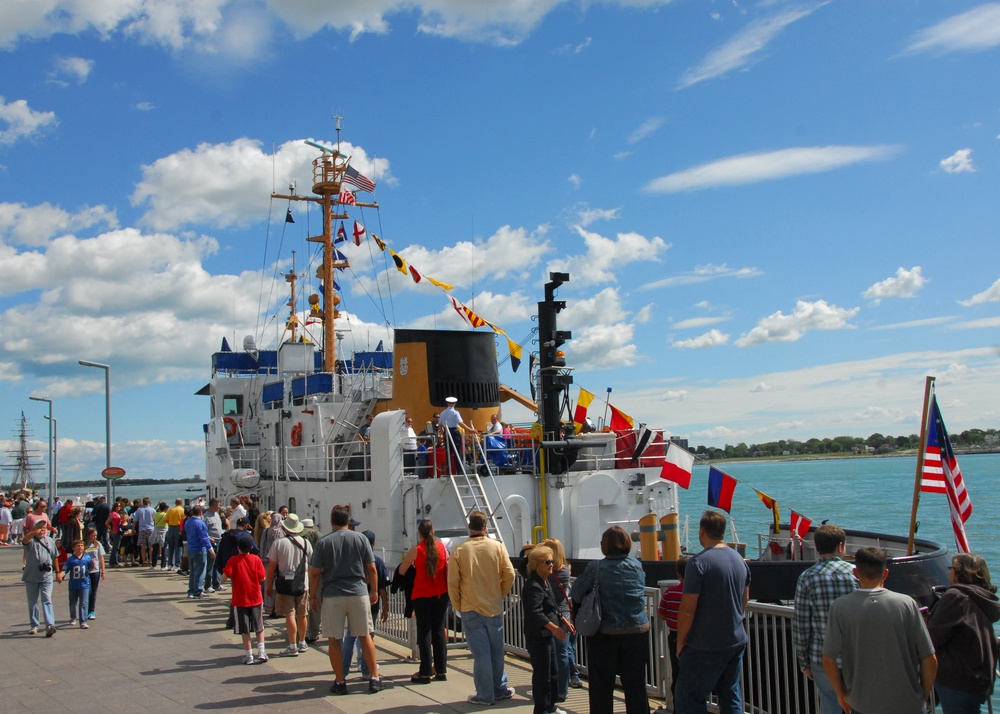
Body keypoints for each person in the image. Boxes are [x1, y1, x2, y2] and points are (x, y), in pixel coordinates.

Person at [822, 546, 937, 714]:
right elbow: (929, 658)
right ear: (885, 574)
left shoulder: (839, 607)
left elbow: (828, 659)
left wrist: (841, 694)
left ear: (855, 573)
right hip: (907, 704)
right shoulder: (907, 604)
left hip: (862, 705)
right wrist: (923, 696)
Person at [673, 510, 751, 714]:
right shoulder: (739, 561)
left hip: (705, 643)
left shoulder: (698, 563)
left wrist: (681, 641)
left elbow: (688, 609)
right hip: (735, 639)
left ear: (701, 532)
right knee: (730, 693)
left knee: (688, 696)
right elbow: (745, 600)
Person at [570, 525, 650, 714]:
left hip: (604, 634)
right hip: (636, 631)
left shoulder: (596, 567)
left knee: (601, 686)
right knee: (636, 685)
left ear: (604, 545)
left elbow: (577, 592)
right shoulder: (637, 566)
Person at [308, 506, 385, 695]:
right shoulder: (361, 539)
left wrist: (312, 596)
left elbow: (315, 572)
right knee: (365, 635)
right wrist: (374, 590)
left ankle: (340, 681)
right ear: (348, 521)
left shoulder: (324, 542)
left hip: (333, 594)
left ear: (331, 521)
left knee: (335, 639)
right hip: (358, 592)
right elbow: (372, 568)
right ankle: (374, 678)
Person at [448, 510, 516, 706]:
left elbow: (453, 582)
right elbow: (510, 574)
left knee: (481, 654)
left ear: (469, 527)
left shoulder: (460, 550)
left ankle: (485, 694)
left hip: (470, 607)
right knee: (496, 650)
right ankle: (499, 688)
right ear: (485, 528)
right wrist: (500, 594)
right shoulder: (497, 547)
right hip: (493, 606)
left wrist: (458, 604)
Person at [792, 524, 858, 714]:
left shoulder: (807, 577)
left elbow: (801, 624)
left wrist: (804, 662)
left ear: (817, 547)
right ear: (840, 546)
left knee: (830, 704)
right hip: (855, 656)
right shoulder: (856, 573)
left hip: (821, 657)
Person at [926, 553, 1000, 713]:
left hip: (958, 679)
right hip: (979, 678)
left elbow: (932, 637)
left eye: (951, 568)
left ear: (960, 573)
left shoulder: (956, 597)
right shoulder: (981, 599)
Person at [523, 545, 572, 714]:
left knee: (553, 672)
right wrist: (554, 628)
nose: (551, 564)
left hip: (548, 634)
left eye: (552, 561)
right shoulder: (533, 585)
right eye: (547, 562)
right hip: (538, 636)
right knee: (542, 675)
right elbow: (535, 612)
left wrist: (563, 619)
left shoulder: (545, 581)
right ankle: (542, 709)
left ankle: (551, 707)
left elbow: (551, 606)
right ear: (537, 565)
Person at [400, 519, 450, 683]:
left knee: (424, 632)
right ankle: (441, 670)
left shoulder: (416, 550)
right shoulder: (442, 547)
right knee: (438, 630)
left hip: (422, 595)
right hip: (441, 594)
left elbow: (402, 570)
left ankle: (425, 671)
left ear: (419, 533)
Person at [341, 529, 390, 677]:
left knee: (350, 635)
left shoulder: (353, 561)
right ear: (373, 544)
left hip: (354, 599)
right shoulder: (377, 561)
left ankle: (343, 669)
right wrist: (385, 607)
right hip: (371, 604)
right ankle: (366, 668)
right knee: (368, 635)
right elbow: (382, 588)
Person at [266, 513, 313, 657]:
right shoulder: (306, 543)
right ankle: (302, 642)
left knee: (289, 614)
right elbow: (311, 565)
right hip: (302, 583)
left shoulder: (278, 543)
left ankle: (292, 645)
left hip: (284, 583)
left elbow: (272, 566)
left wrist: (268, 585)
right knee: (302, 614)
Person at [543, 537, 580, 699]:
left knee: (553, 653)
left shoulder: (548, 573)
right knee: (563, 652)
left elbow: (528, 571)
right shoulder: (565, 569)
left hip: (553, 614)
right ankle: (563, 689)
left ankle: (555, 688)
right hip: (565, 612)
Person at [223, 536, 268, 664]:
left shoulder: (233, 560)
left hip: (239, 598)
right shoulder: (256, 560)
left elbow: (224, 578)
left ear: (238, 548)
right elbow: (262, 577)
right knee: (259, 626)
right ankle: (261, 651)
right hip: (255, 597)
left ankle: (249, 655)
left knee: (244, 629)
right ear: (251, 548)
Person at [657, 555, 689, 706]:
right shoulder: (697, 593)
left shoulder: (669, 593)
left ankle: (678, 707)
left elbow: (661, 615)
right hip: (694, 637)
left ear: (678, 574)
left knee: (677, 674)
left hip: (675, 636)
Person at [23, 519, 61, 636]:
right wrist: (34, 533)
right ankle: (34, 625)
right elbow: (24, 541)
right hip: (31, 577)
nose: (42, 529)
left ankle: (50, 625)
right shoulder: (31, 541)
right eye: (40, 527)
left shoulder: (50, 540)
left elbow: (55, 556)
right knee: (33, 602)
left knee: (47, 599)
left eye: (44, 527)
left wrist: (58, 571)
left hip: (46, 576)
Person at [439, 396, 479, 472]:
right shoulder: (455, 413)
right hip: (454, 432)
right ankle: (459, 470)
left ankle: (448, 471)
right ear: (454, 404)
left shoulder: (442, 413)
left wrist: (441, 432)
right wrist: (470, 429)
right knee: (457, 452)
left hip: (446, 433)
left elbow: (440, 425)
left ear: (447, 403)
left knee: (448, 453)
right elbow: (461, 423)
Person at [184, 504, 215, 599]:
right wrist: (211, 549)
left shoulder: (188, 522)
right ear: (201, 513)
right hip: (199, 549)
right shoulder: (200, 523)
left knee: (193, 571)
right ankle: (198, 590)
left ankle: (191, 590)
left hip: (191, 548)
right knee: (201, 571)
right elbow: (203, 538)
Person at [61, 539, 93, 628]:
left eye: (82, 546)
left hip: (84, 584)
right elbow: (65, 569)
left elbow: (90, 568)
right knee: (73, 603)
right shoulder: (71, 560)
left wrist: (93, 566)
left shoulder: (87, 558)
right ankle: (73, 617)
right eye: (78, 546)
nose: (80, 547)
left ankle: (83, 621)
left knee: (84, 603)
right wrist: (61, 575)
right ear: (73, 548)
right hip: (73, 584)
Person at [83, 527, 106, 620]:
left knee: (93, 592)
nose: (95, 537)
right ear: (88, 535)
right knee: (86, 591)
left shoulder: (97, 544)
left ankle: (91, 610)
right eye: (93, 535)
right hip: (85, 570)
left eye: (95, 535)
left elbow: (101, 558)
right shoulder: (83, 544)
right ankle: (84, 609)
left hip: (95, 570)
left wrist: (103, 571)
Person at [204, 498, 225, 592]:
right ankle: (208, 585)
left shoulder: (216, 514)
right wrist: (209, 539)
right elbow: (203, 532)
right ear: (213, 505)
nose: (219, 506)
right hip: (212, 543)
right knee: (210, 564)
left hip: (219, 541)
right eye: (218, 504)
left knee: (218, 564)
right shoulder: (205, 517)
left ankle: (217, 584)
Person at [132, 497, 156, 567]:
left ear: (142, 503)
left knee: (143, 546)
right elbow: (155, 520)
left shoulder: (139, 510)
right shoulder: (153, 510)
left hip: (142, 529)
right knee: (150, 545)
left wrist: (133, 528)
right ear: (149, 502)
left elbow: (135, 521)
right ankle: (151, 561)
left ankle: (144, 561)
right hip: (151, 528)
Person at [164, 498, 185, 570]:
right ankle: (177, 564)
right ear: (181, 503)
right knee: (178, 547)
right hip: (178, 528)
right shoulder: (182, 510)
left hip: (171, 528)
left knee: (171, 547)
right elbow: (184, 520)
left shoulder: (170, 510)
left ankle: (170, 564)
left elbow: (165, 520)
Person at [151, 501, 169, 569]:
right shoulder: (165, 515)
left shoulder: (155, 514)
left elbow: (154, 521)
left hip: (156, 531)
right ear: (165, 508)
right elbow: (168, 522)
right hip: (164, 531)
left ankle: (153, 565)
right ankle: (163, 566)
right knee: (164, 549)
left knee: (155, 549)